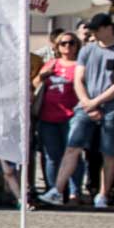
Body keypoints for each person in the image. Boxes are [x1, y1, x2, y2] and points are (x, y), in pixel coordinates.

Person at [41, 12, 114, 209]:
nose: (94, 34)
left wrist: (96, 102)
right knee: (72, 146)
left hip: (112, 108)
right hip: (85, 105)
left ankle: (103, 194)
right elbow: (78, 79)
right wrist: (87, 102)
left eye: (97, 30)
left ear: (108, 28)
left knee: (108, 152)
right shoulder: (87, 50)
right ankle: (57, 190)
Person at [33, 31, 81, 202]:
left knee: (72, 154)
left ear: (77, 46)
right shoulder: (52, 63)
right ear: (57, 46)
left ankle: (74, 192)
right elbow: (35, 83)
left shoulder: (79, 65)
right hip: (48, 116)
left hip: (71, 116)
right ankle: (53, 190)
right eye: (63, 43)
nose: (67, 46)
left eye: (71, 43)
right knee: (51, 156)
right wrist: (43, 75)